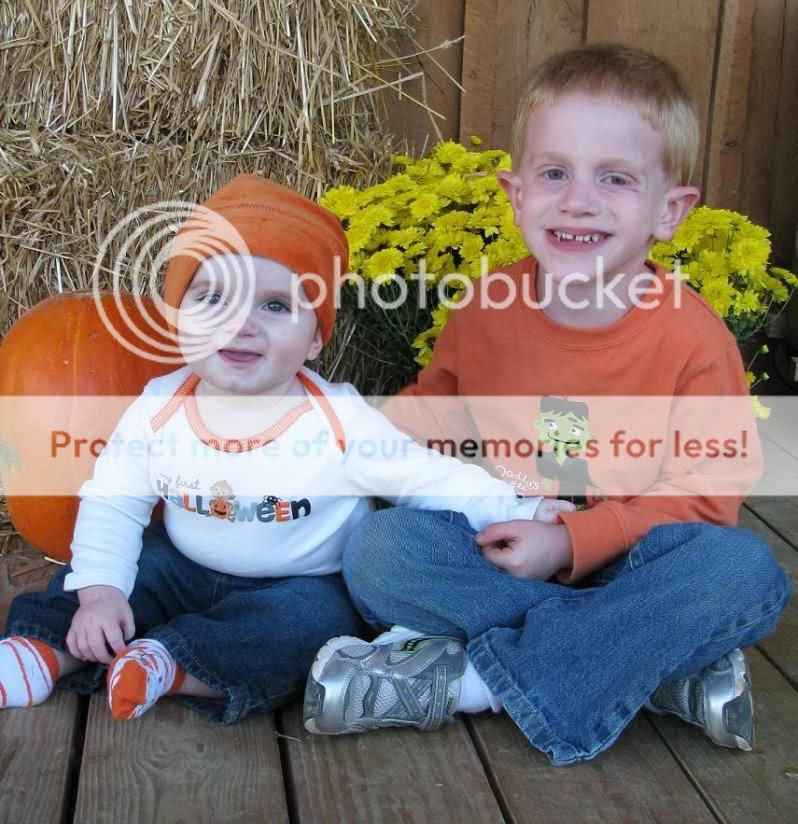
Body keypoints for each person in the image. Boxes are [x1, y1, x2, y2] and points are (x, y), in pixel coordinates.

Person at [303, 43, 792, 763]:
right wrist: (334, 436)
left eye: (615, 178)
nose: (578, 199)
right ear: (516, 194)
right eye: (555, 172)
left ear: (669, 211)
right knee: (379, 551)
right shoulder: (487, 309)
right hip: (505, 545)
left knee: (742, 571)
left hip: (637, 563)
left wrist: (570, 542)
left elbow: (706, 498)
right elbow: (434, 416)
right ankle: (652, 664)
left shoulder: (694, 340)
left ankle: (474, 683)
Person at [0, 174, 571, 723]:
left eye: (274, 306)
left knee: (306, 631)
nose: (241, 324)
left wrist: (520, 509)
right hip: (180, 563)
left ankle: (169, 665)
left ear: (316, 338)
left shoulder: (339, 421)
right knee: (107, 576)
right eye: (211, 297)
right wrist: (101, 591)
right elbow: (114, 502)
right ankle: (44, 651)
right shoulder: (159, 407)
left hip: (299, 583)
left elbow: (429, 478)